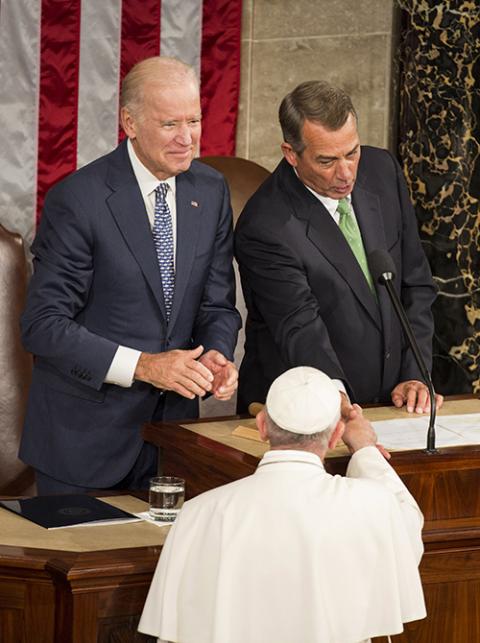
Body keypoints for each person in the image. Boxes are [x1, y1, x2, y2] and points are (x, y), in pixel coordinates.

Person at [20, 56, 241, 494]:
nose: (187, 139)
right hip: (82, 445)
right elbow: (43, 326)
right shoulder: (79, 200)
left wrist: (215, 354)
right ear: (130, 122)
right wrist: (143, 366)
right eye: (169, 124)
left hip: (172, 444)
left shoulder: (211, 191)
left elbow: (217, 304)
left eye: (194, 120)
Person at [138, 366, 426, 643]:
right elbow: (409, 524)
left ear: (262, 425)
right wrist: (364, 450)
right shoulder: (371, 505)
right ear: (337, 434)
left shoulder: (198, 514)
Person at [235, 80, 443, 416]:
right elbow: (299, 326)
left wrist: (415, 375)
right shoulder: (266, 224)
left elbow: (415, 285)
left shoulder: (382, 171)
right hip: (302, 412)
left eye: (352, 152)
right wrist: (337, 400)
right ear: (291, 153)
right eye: (327, 161)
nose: (346, 173)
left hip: (391, 401)